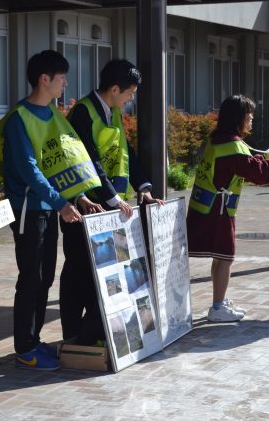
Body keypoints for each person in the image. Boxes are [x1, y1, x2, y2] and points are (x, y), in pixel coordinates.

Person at [3, 50, 104, 370]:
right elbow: (28, 168)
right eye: (61, 78)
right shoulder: (19, 117)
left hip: (50, 206)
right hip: (29, 208)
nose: (66, 84)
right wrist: (62, 202)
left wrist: (81, 196)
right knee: (31, 277)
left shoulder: (54, 114)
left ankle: (33, 341)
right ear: (43, 79)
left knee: (44, 277)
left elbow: (69, 161)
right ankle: (25, 346)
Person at [63, 58, 163, 344]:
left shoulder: (113, 112)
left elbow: (125, 152)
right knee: (80, 273)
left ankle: (96, 333)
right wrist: (111, 198)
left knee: (110, 272)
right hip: (87, 207)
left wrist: (142, 187)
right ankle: (74, 335)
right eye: (130, 92)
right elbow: (89, 159)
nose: (131, 99)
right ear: (115, 89)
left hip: (112, 207)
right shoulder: (83, 112)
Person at [187, 95, 269, 322]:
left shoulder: (218, 139)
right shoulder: (232, 145)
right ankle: (217, 307)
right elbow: (257, 173)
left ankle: (219, 301)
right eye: (249, 116)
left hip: (208, 205)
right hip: (218, 209)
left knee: (220, 258)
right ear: (239, 118)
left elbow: (247, 162)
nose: (252, 120)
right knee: (225, 257)